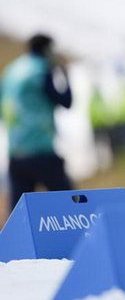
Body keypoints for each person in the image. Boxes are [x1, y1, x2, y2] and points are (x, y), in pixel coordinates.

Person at [1, 33, 74, 211]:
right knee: (71, 205)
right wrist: (64, 73)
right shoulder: (40, 69)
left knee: (19, 214)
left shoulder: (11, 71)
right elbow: (66, 102)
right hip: (41, 149)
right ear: (47, 49)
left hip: (16, 153)